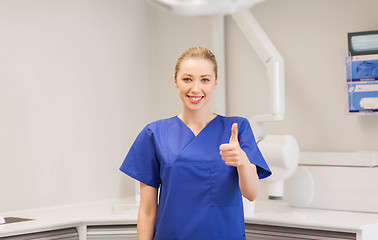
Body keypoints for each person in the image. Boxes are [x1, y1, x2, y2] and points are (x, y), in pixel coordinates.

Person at [120, 46, 271, 240]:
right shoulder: (154, 134)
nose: (195, 88)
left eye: (205, 79)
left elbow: (251, 193)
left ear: (216, 82)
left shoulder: (237, 128)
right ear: (175, 81)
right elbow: (148, 210)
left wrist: (242, 160)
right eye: (187, 79)